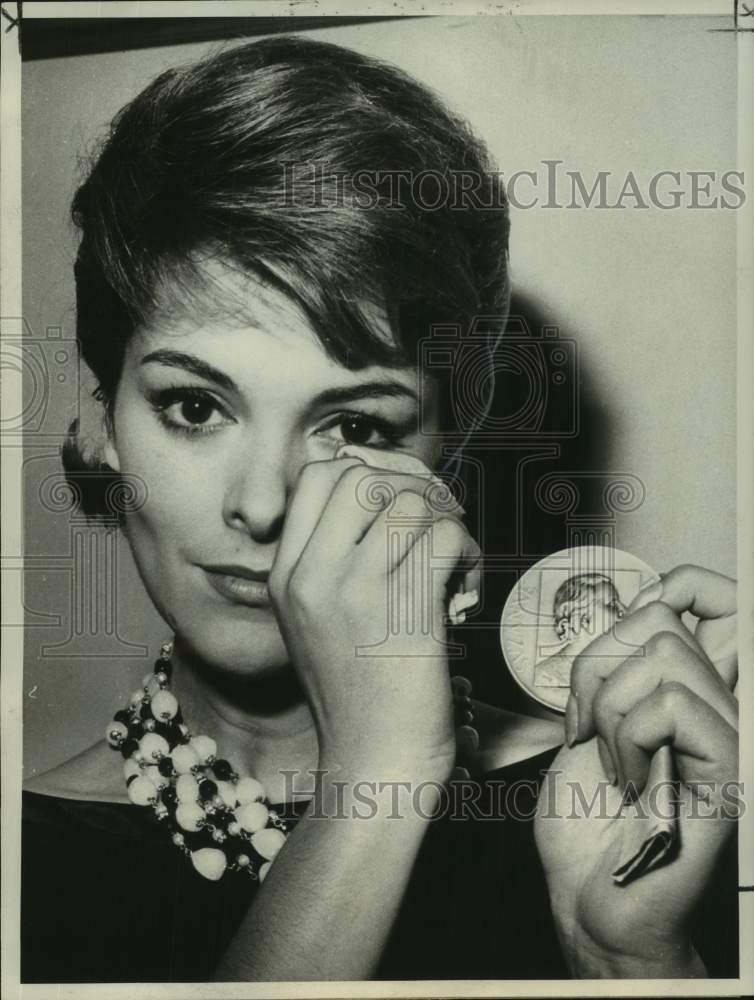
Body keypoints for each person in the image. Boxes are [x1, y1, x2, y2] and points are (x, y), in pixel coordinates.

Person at [21, 35, 739, 983]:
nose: (264, 504)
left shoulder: (605, 811)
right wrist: (376, 778)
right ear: (98, 418)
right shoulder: (26, 865)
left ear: (452, 448)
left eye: (354, 428)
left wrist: (627, 955)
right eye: (195, 407)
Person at [535, 572, 626, 688]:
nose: (624, 611)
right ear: (581, 620)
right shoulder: (545, 678)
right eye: (612, 605)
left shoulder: (611, 670)